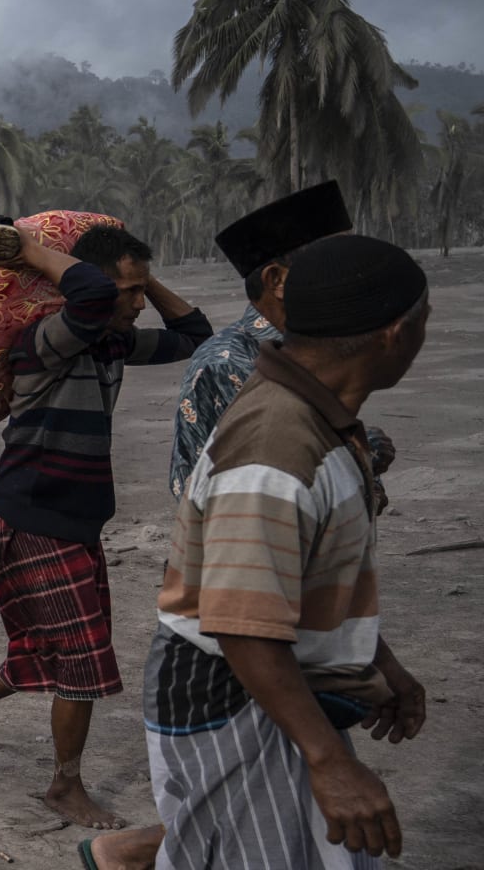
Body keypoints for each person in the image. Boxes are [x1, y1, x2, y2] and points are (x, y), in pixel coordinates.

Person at [86, 235, 431, 870]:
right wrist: (328, 760)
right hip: (233, 688)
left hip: (272, 680)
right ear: (394, 335)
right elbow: (241, 623)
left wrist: (378, 661)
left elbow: (307, 574)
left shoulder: (318, 419)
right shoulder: (278, 445)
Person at [0, 223, 210, 832]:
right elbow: (88, 297)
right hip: (35, 514)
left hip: (75, 518)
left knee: (44, 650)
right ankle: (65, 786)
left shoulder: (111, 343)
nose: (138, 304)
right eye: (129, 291)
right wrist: (29, 251)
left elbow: (195, 335)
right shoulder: (46, 341)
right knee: (83, 658)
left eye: (141, 292)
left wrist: (142, 280)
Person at [170, 181, 359, 500]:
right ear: (276, 280)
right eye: (337, 260)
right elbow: (202, 489)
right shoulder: (226, 362)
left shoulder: (320, 345)